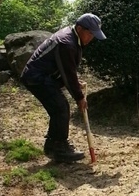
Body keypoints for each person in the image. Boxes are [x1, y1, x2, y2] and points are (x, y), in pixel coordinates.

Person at [21, 13, 106, 162]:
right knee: (60, 108)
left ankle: (52, 145)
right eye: (90, 34)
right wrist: (79, 97)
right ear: (80, 28)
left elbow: (67, 69)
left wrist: (75, 83)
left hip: (44, 77)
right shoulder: (67, 42)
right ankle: (60, 148)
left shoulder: (73, 37)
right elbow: (67, 73)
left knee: (58, 108)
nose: (91, 38)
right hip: (37, 78)